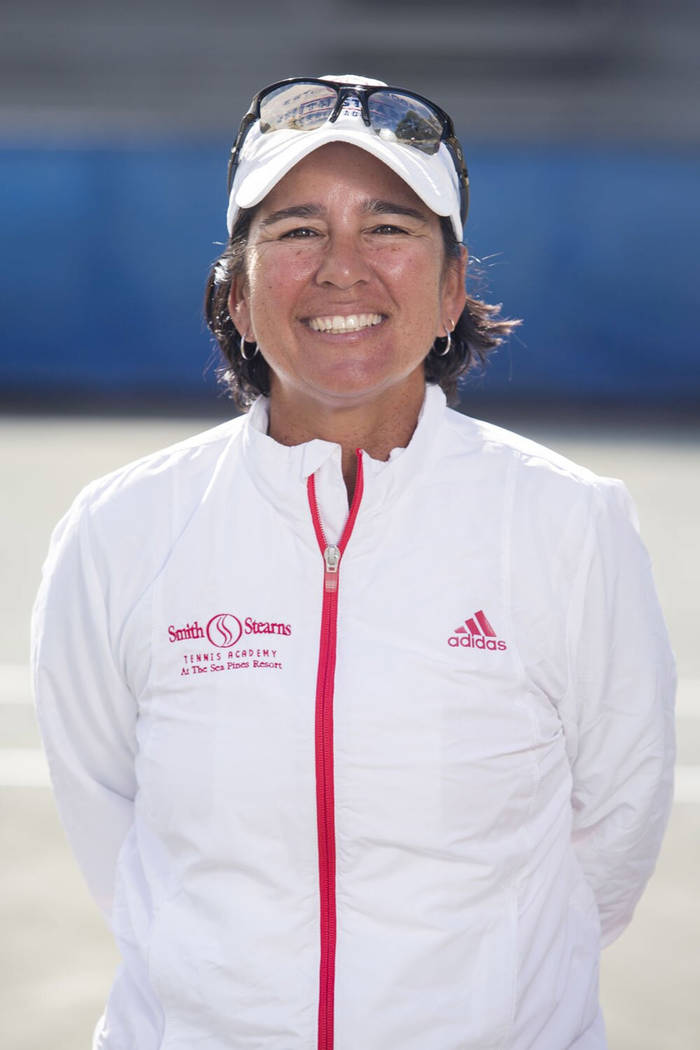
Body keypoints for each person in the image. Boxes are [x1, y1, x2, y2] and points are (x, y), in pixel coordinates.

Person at [32, 75, 675, 1050]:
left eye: (388, 228)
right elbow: (111, 830)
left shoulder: (571, 525)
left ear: (452, 289)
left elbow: (613, 836)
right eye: (298, 231)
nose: (343, 269)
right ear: (237, 297)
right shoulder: (119, 531)